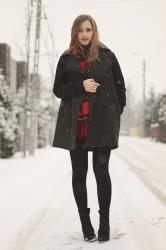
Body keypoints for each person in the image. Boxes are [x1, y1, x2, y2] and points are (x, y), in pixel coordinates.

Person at [52, 14, 126, 242]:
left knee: (102, 172)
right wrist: (80, 85)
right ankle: (86, 224)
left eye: (88, 29)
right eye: (80, 30)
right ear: (75, 32)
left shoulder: (107, 56)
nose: (84, 34)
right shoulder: (66, 59)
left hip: (102, 123)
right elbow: (58, 90)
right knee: (79, 174)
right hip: (76, 124)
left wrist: (114, 113)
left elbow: (120, 89)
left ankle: (105, 224)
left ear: (94, 32)